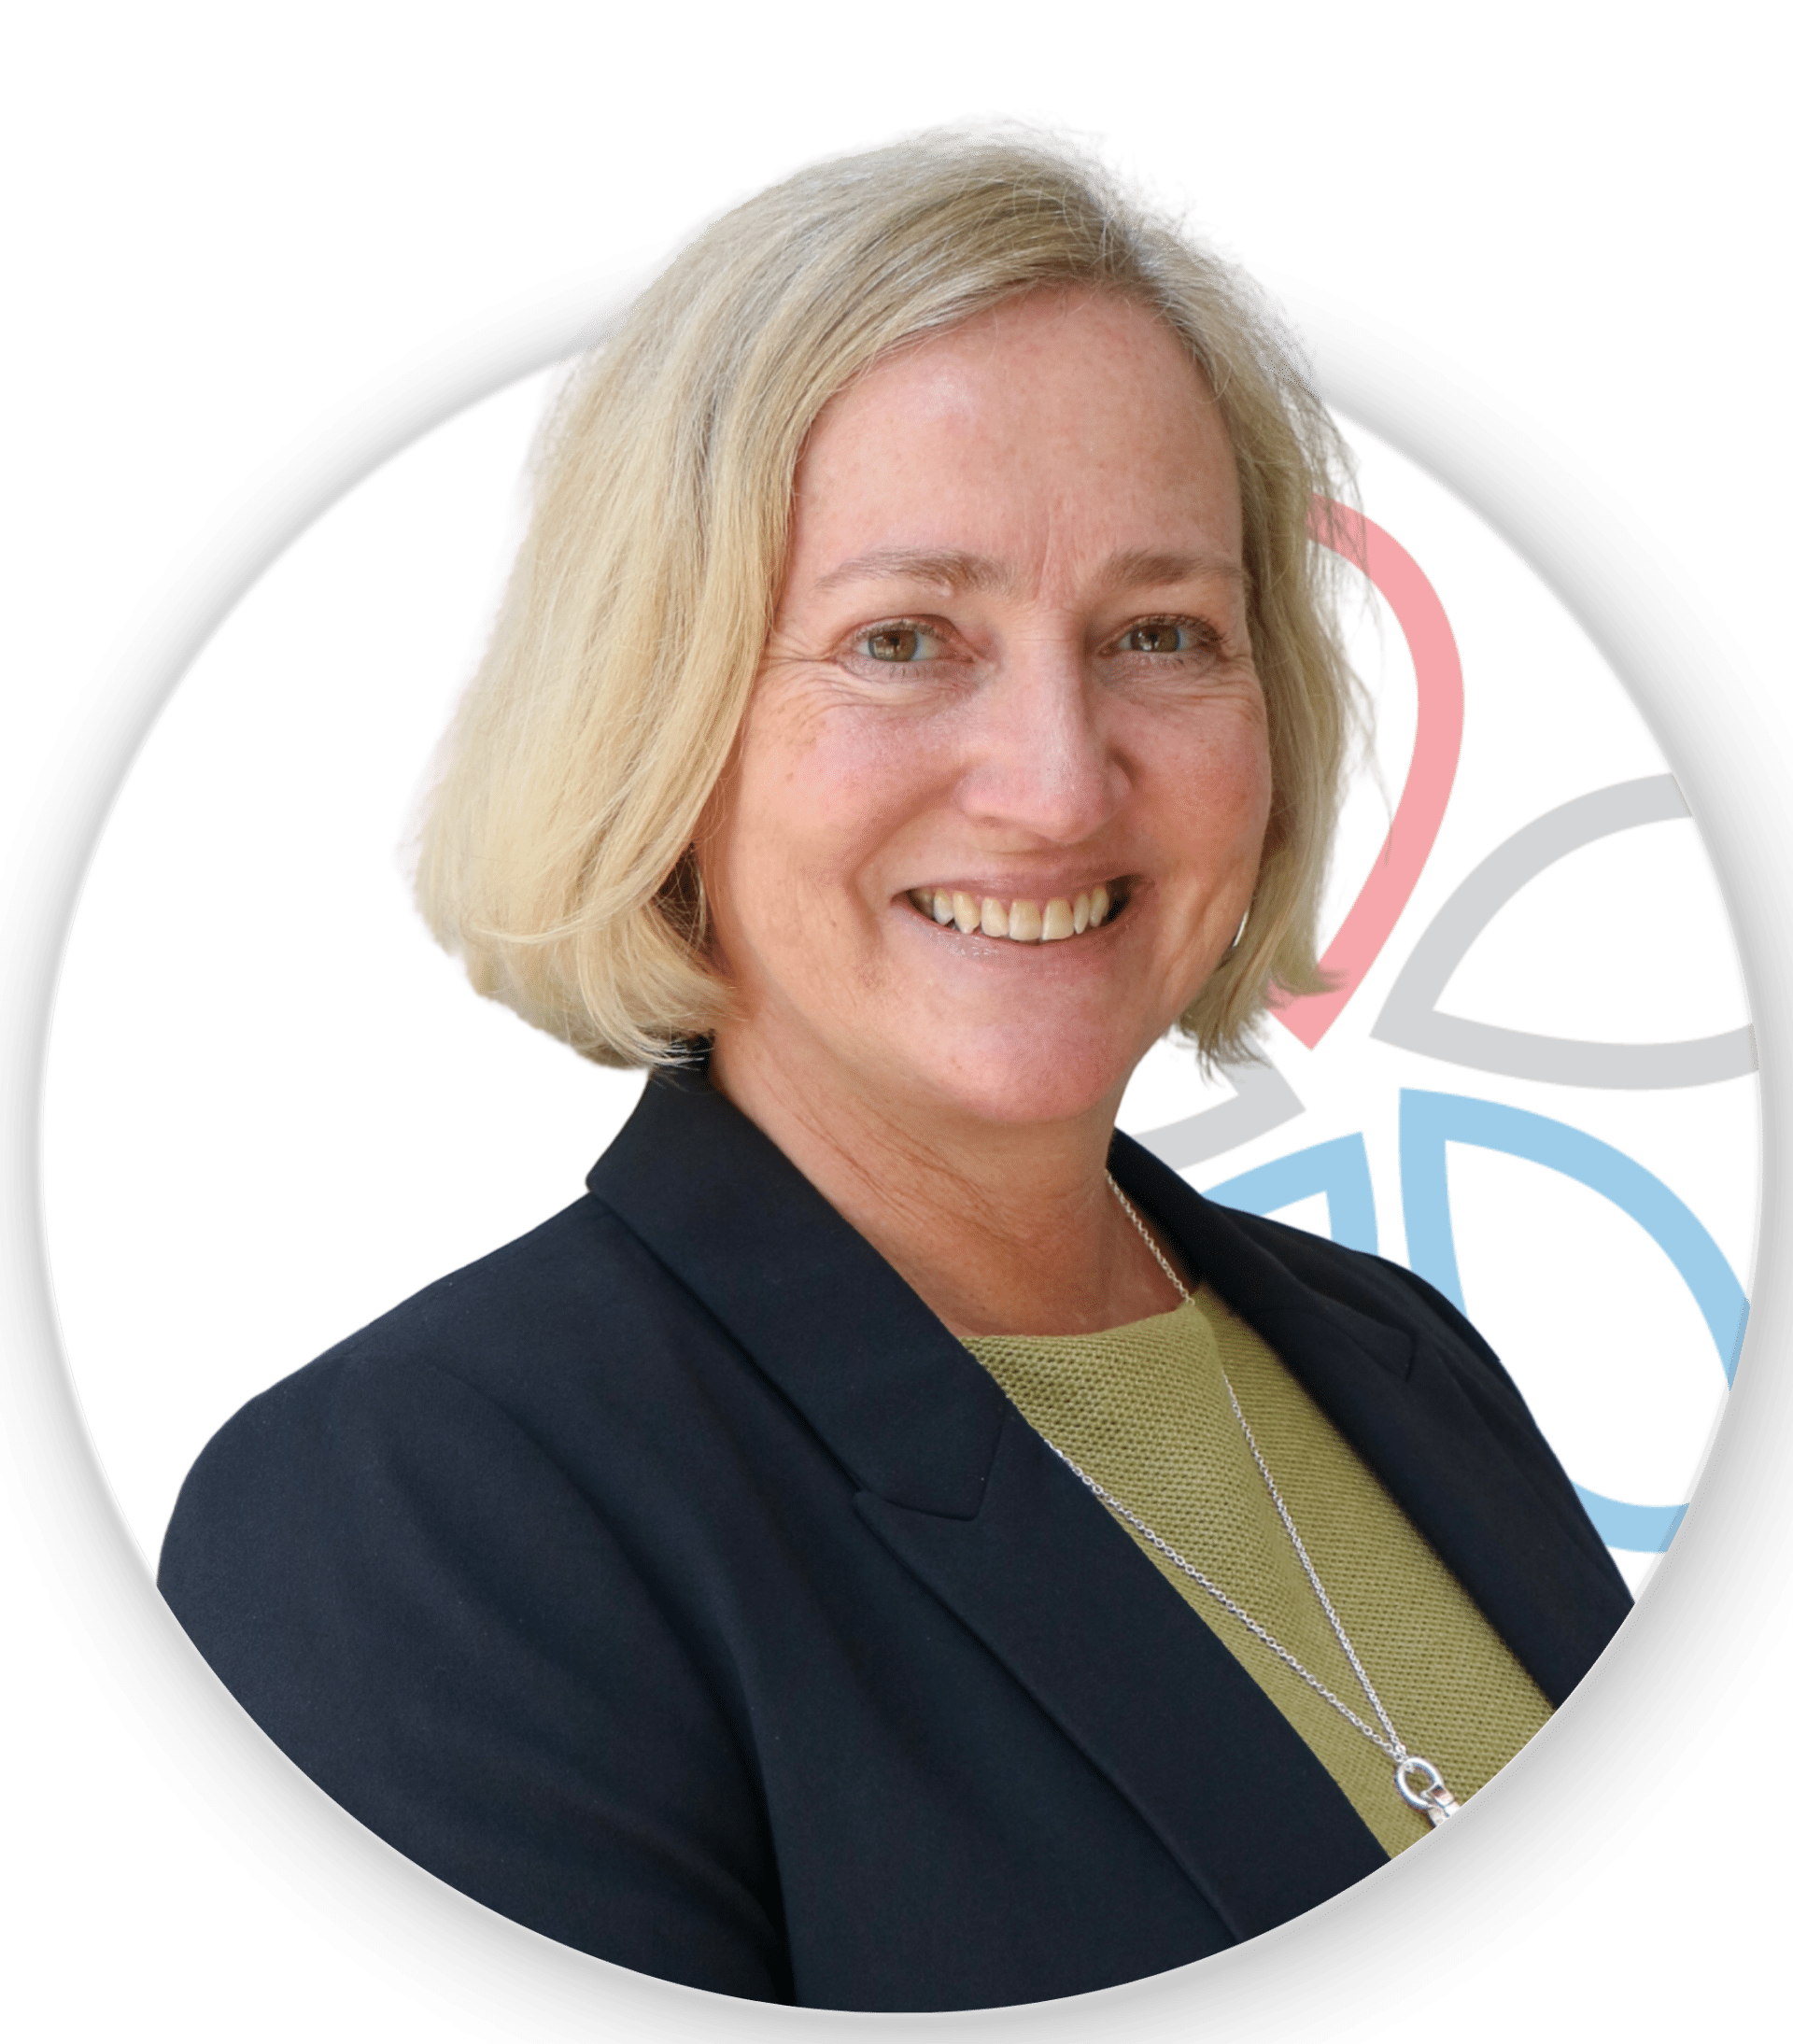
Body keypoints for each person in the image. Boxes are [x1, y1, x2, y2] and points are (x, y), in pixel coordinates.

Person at [158, 112, 1632, 2012]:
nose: (1058, 782)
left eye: (1161, 630)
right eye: (906, 638)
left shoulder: (1407, 1364)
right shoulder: (412, 1519)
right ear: (662, 721)